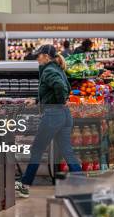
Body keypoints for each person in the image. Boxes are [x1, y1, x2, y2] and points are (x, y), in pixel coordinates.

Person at [15, 44, 82, 198]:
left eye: (39, 55)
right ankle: (81, 183)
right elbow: (66, 87)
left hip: (54, 115)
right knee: (67, 151)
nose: (37, 58)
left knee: (37, 150)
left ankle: (25, 185)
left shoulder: (49, 70)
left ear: (46, 56)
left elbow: (60, 87)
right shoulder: (56, 69)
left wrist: (57, 103)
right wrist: (37, 100)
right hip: (65, 115)